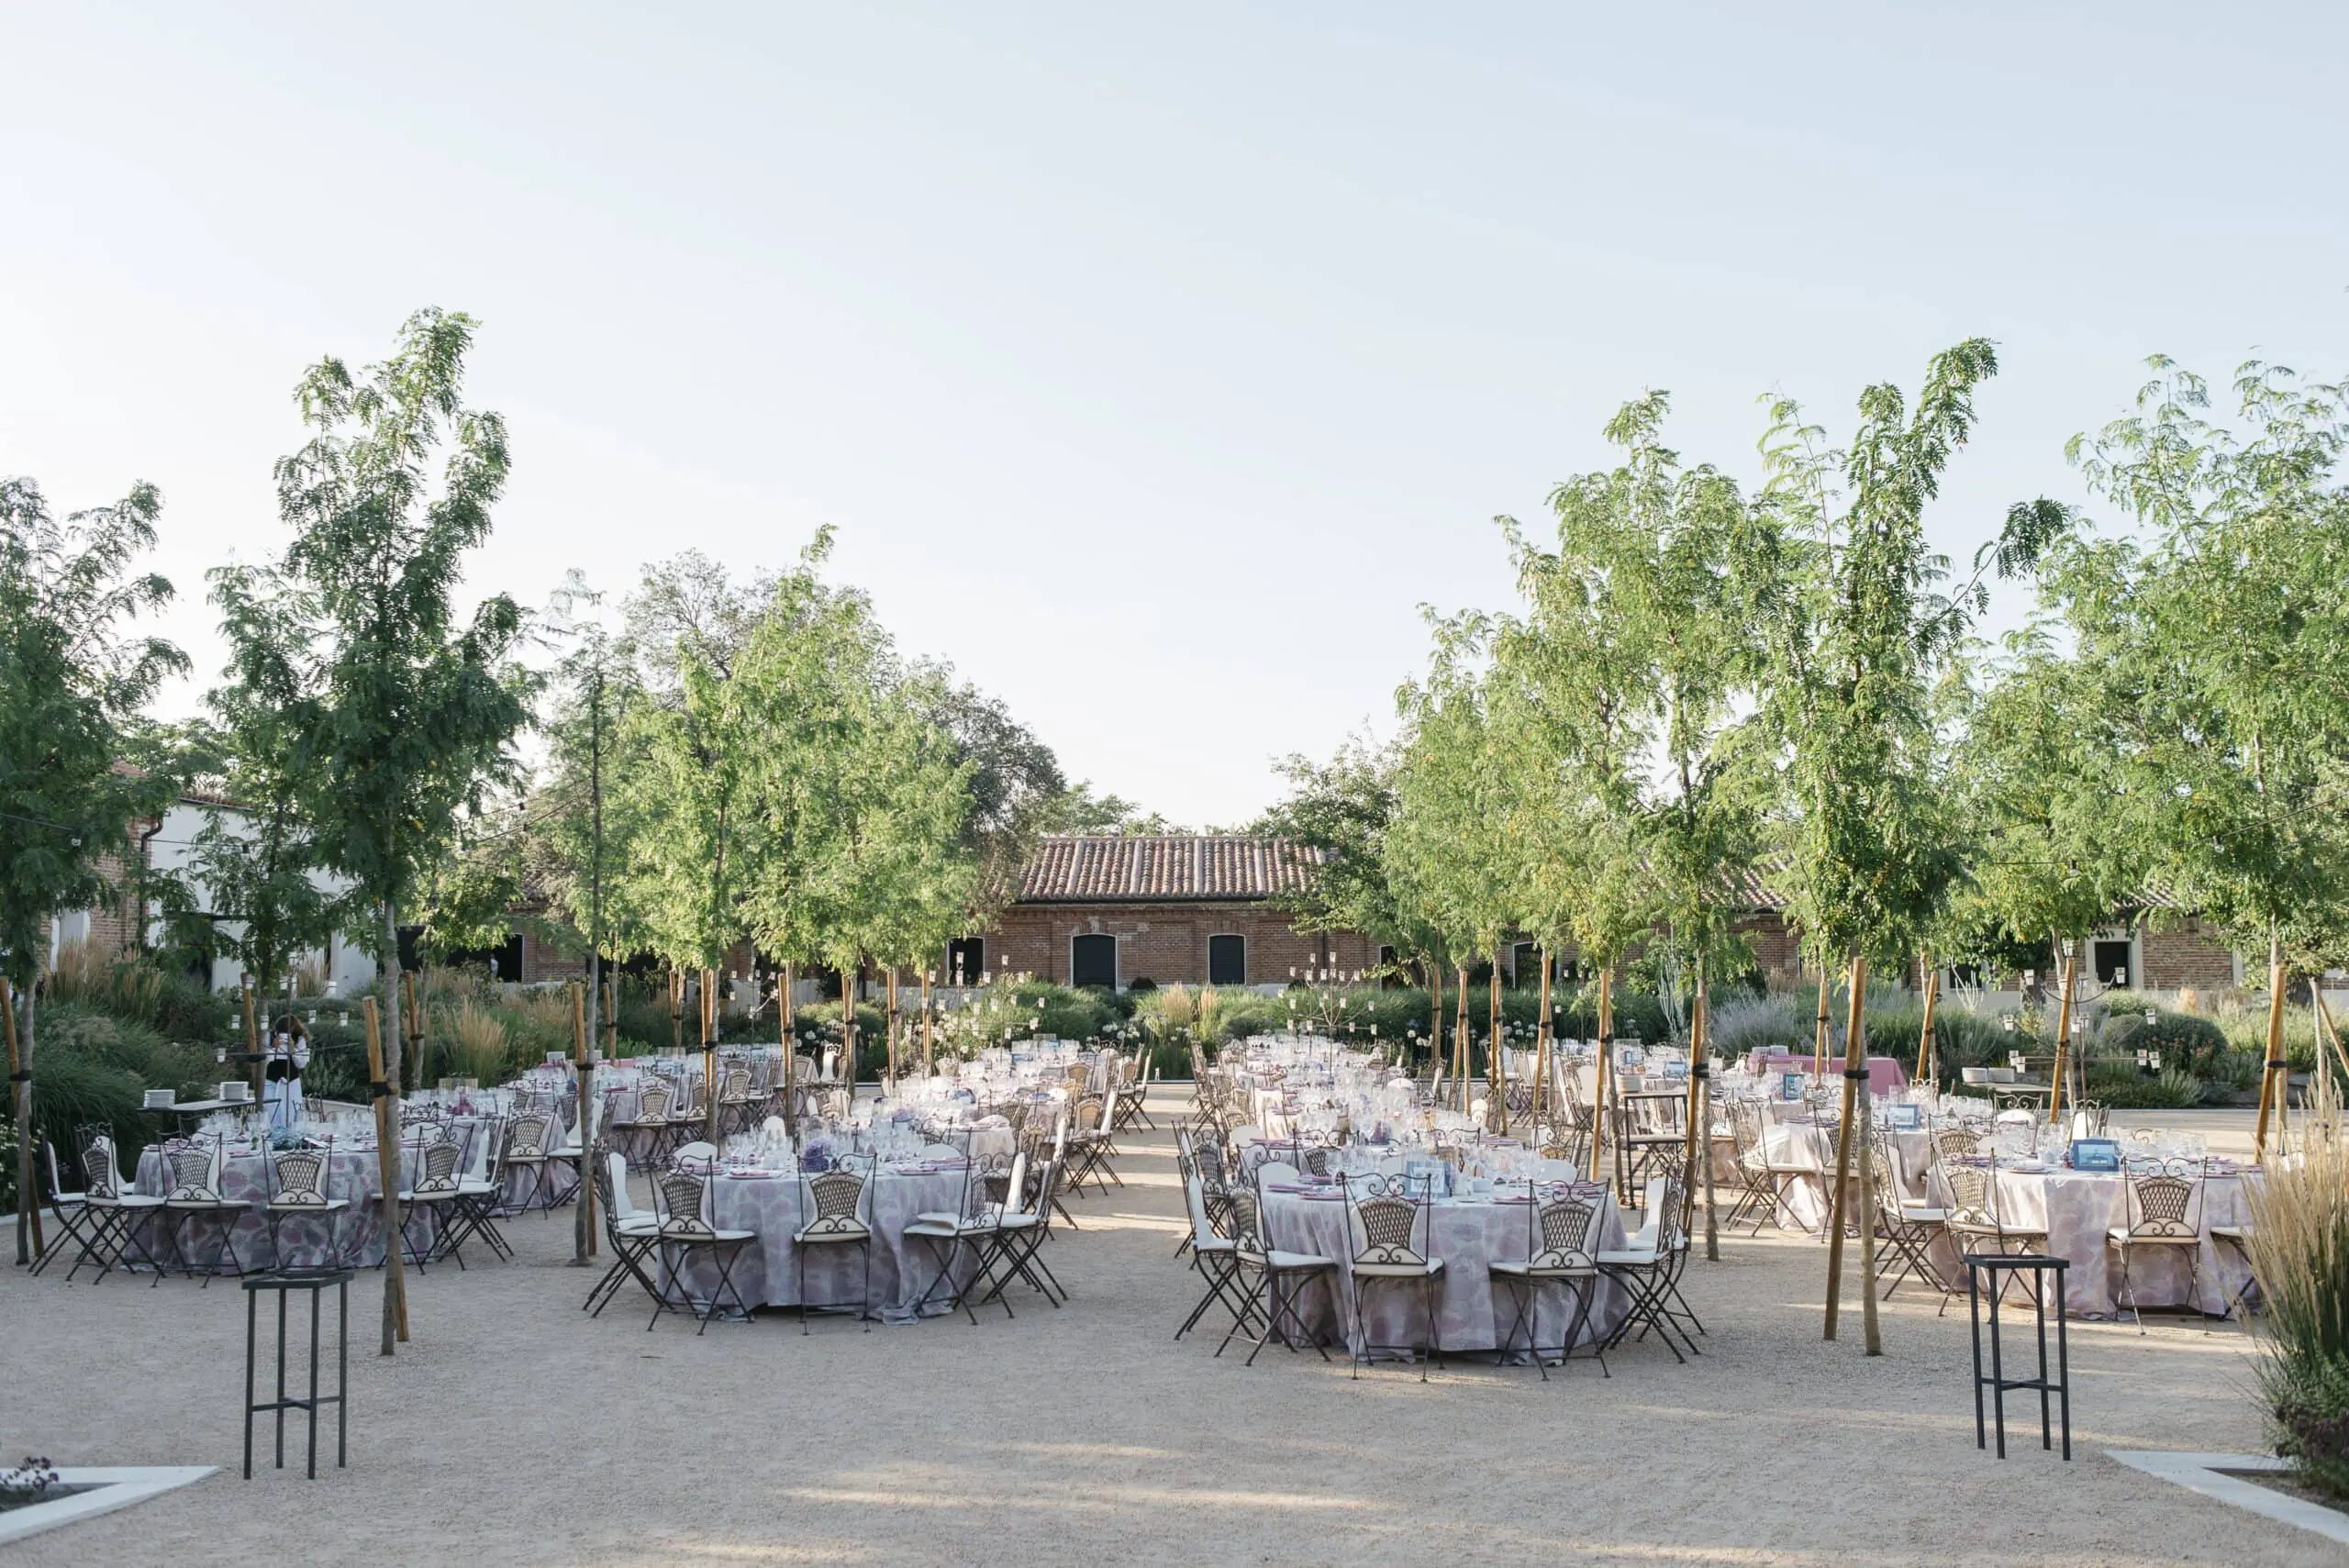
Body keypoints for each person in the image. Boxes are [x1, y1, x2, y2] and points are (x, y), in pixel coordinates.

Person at [263, 1013, 311, 1130]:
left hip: (292, 1082)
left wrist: (292, 1049)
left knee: (292, 1113)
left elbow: (301, 1064)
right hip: (272, 1081)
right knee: (271, 1112)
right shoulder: (269, 1037)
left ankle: (292, 1138)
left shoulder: (299, 1039)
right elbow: (264, 1062)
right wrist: (273, 1047)